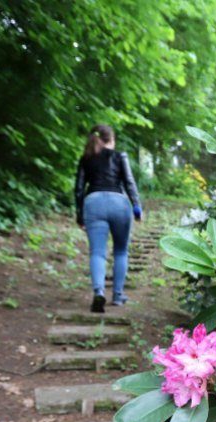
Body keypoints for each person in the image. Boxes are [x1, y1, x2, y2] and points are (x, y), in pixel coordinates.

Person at [74, 124, 143, 313]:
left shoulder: (86, 158)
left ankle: (99, 292)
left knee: (97, 252)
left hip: (93, 204)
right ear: (111, 140)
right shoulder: (120, 156)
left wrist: (79, 215)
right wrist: (137, 207)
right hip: (119, 204)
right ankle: (118, 295)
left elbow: (79, 188)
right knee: (120, 251)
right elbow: (129, 182)